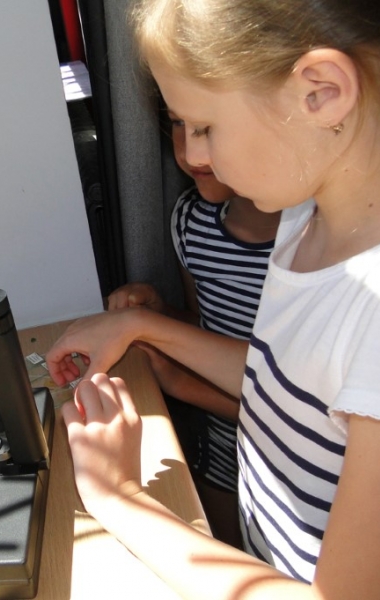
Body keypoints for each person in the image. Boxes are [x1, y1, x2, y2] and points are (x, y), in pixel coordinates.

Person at [46, 0, 380, 597]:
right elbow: (291, 389)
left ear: (321, 93)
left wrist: (118, 496)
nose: (195, 156)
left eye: (205, 126)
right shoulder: (304, 220)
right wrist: (144, 326)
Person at [107, 107, 280, 548]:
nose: (187, 152)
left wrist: (178, 382)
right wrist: (162, 316)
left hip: (291, 466)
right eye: (177, 123)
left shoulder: (316, 247)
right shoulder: (191, 220)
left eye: (208, 125)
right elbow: (209, 329)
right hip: (221, 455)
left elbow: (298, 410)